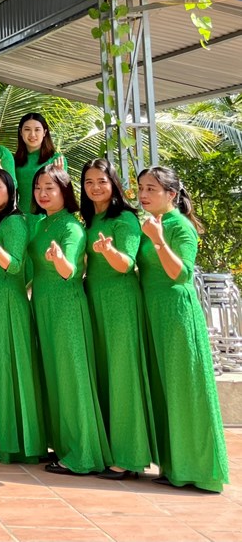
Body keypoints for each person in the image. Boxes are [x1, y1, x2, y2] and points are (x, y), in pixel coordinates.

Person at [137, 166, 228, 492]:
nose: (143, 195)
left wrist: (159, 241)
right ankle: (174, 466)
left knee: (185, 388)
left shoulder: (180, 227)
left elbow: (181, 273)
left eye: (151, 189)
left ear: (171, 194)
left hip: (176, 314)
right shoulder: (151, 224)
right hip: (153, 313)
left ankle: (200, 470)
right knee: (164, 388)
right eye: (141, 188)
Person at [28, 164, 110, 476]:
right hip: (44, 306)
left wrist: (60, 259)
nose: (43, 193)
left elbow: (71, 272)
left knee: (72, 378)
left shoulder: (71, 227)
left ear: (65, 191)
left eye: (50, 187)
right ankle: (65, 445)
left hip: (66, 308)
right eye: (38, 187)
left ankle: (83, 455)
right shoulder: (42, 224)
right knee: (54, 377)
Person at [81, 159, 154, 479]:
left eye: (102, 181)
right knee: (105, 374)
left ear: (114, 184)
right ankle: (110, 449)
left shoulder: (125, 218)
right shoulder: (90, 220)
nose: (95, 187)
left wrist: (108, 251)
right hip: (95, 301)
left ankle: (129, 457)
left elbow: (126, 264)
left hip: (120, 303)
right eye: (89, 182)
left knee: (123, 376)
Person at [0, 168, 45, 464]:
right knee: (1, 367)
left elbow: (16, 266)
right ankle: (9, 440)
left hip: (8, 299)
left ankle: (22, 445)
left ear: (11, 190)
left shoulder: (15, 222)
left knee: (12, 366)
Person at [14, 113, 64, 211]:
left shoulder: (56, 159)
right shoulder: (14, 160)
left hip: (47, 215)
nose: (32, 134)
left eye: (37, 130)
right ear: (21, 132)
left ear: (44, 132)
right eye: (27, 129)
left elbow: (63, 194)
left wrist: (58, 178)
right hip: (21, 215)